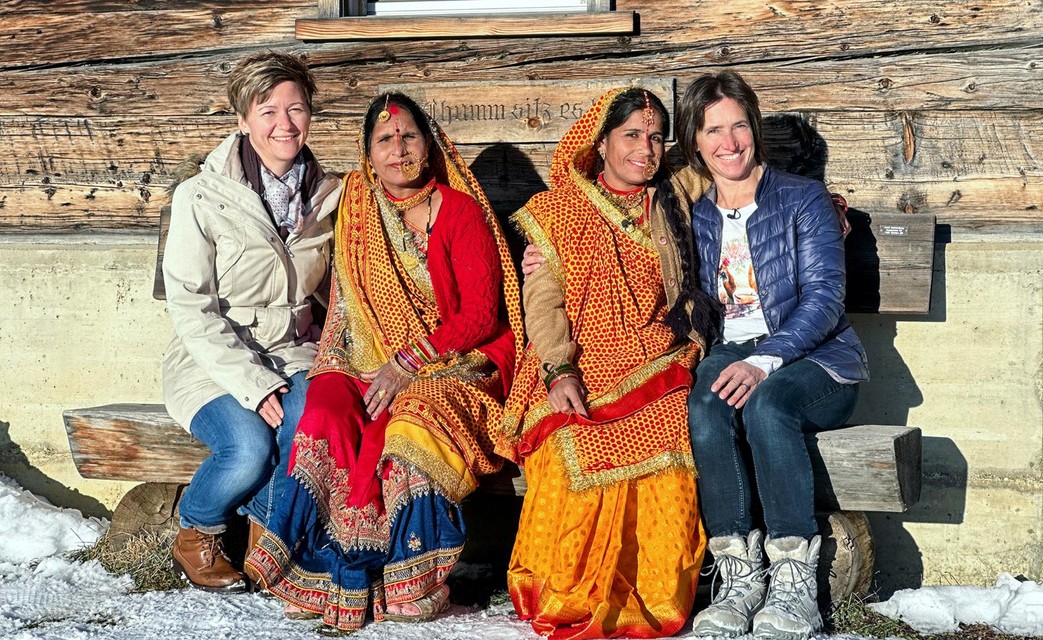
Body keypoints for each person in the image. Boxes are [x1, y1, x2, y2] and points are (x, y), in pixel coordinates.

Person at [244, 91, 523, 635]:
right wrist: (337, 368)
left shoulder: (459, 212)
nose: (398, 149)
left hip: (461, 362)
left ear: (431, 144)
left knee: (414, 416)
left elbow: (483, 315)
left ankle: (408, 578)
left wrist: (407, 362)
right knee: (325, 404)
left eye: (409, 136)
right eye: (385, 140)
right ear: (367, 153)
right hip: (369, 354)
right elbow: (346, 310)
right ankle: (317, 571)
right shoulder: (357, 210)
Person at [500, 87, 706, 639]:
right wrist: (559, 370)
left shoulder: (674, 197)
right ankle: (573, 592)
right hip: (574, 362)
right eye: (632, 135)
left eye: (656, 137)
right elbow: (544, 303)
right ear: (602, 142)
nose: (647, 148)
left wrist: (819, 206)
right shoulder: (558, 213)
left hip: (656, 357)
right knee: (576, 446)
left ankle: (655, 594)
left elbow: (742, 182)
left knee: (671, 447)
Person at [674, 71, 869, 640]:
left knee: (765, 407)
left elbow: (826, 300)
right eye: (714, 130)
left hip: (817, 360)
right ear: (695, 141)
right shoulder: (693, 212)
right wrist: (547, 254)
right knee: (707, 406)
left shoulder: (802, 199)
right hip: (731, 349)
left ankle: (793, 579)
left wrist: (768, 359)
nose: (729, 142)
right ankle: (738, 574)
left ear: (754, 130)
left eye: (739, 126)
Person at [161, 51, 340, 593]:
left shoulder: (331, 196)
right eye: (267, 111)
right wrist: (255, 385)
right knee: (247, 450)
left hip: (294, 350)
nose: (284, 124)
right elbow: (194, 308)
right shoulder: (201, 196)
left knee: (309, 427)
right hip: (211, 358)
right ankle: (197, 528)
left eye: (296, 108)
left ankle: (280, 542)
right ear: (242, 118)